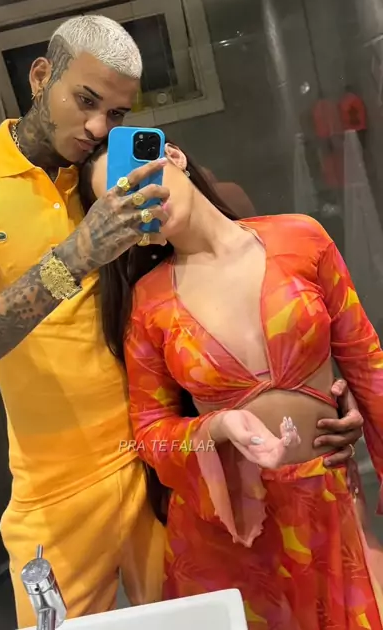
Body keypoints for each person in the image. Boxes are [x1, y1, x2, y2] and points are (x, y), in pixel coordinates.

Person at [0, 14, 362, 626]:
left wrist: (322, 393)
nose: (99, 127)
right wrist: (77, 255)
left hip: (164, 470)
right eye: (86, 101)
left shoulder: (112, 173)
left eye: (117, 113)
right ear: (41, 76)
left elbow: (247, 267)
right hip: (57, 489)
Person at [79, 140, 383, 630]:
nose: (140, 202)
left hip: (325, 506)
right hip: (230, 531)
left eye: (138, 180)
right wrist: (217, 427)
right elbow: (151, 433)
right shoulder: (147, 303)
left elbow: (368, 365)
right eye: (122, 205)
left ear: (174, 157)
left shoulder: (301, 239)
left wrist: (362, 420)